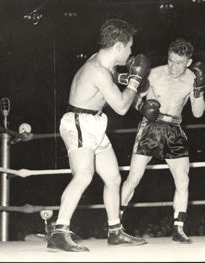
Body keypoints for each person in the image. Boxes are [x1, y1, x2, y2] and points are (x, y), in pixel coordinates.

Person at [47, 19, 151, 252]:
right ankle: (59, 231)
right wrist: (134, 81)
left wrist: (128, 83)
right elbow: (122, 107)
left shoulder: (104, 64)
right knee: (84, 175)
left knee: (113, 179)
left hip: (94, 122)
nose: (131, 52)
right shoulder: (97, 71)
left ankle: (115, 231)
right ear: (118, 47)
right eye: (129, 47)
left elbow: (111, 87)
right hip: (79, 123)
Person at [120, 37, 205, 243]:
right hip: (150, 126)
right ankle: (116, 224)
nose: (173, 67)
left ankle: (178, 229)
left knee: (183, 179)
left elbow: (197, 113)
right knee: (133, 177)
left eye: (179, 62)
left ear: (188, 62)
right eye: (170, 60)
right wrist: (142, 108)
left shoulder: (193, 79)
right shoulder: (154, 74)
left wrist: (199, 89)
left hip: (174, 129)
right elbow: (135, 99)